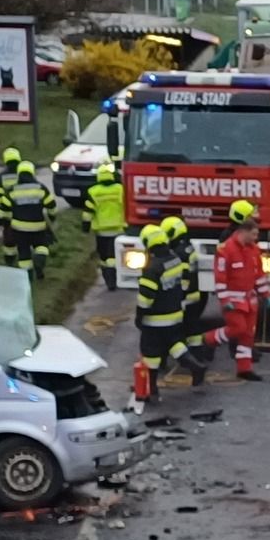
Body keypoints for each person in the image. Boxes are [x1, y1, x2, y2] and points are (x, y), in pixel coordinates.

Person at [202, 199, 269, 381]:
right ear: (243, 231)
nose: (256, 238)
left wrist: (266, 294)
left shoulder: (253, 249)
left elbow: (258, 273)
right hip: (234, 299)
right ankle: (208, 340)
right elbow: (220, 278)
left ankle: (244, 368)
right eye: (254, 233)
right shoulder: (226, 250)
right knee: (237, 329)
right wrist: (225, 301)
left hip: (249, 300)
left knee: (247, 334)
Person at [133, 223, 182, 401]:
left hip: (156, 318)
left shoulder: (152, 268)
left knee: (150, 352)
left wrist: (139, 317)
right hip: (175, 313)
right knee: (173, 343)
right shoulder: (174, 260)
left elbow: (145, 299)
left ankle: (150, 388)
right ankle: (195, 366)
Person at [166, 217, 213, 384]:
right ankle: (199, 355)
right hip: (195, 296)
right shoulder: (188, 246)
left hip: (186, 298)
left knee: (180, 329)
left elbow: (184, 279)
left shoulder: (180, 253)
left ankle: (193, 359)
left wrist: (179, 297)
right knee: (193, 328)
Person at [82, 163, 126, 292]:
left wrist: (85, 228)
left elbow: (87, 213)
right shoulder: (120, 189)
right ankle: (118, 278)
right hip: (119, 230)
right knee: (116, 256)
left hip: (102, 231)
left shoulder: (93, 192)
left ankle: (109, 281)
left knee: (104, 258)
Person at [7, 160, 52, 279]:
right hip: (38, 227)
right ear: (32, 173)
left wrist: (3, 222)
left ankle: (27, 278)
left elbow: (3, 210)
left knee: (24, 253)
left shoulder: (12, 190)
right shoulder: (40, 188)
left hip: (19, 229)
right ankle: (40, 259)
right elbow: (51, 205)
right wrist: (52, 217)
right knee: (42, 246)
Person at [0, 147, 22, 230]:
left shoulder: (2, 176)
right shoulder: (24, 174)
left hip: (8, 214)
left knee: (9, 239)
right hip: (24, 212)